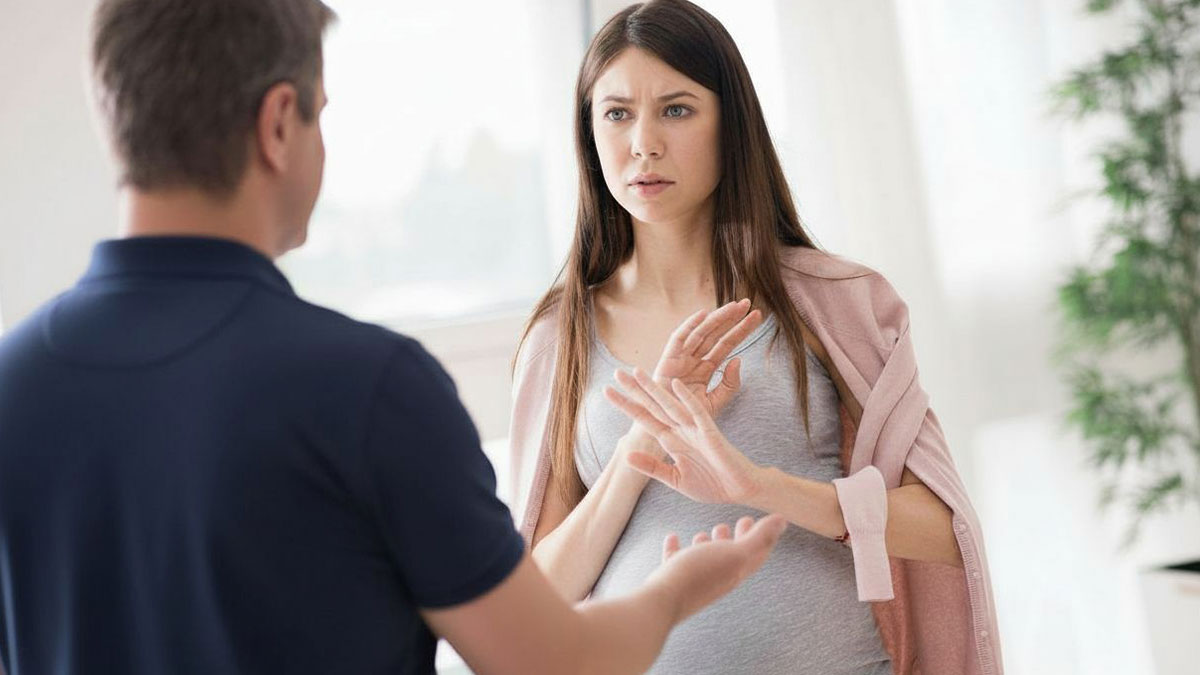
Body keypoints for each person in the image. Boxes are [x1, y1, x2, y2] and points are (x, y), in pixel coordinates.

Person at [0, 1, 789, 673]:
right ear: (280, 123)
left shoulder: (12, 384)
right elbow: (550, 660)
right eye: (320, 114)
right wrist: (681, 586)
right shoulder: (367, 387)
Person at [509, 1, 1004, 673]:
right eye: (617, 113)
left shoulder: (836, 302)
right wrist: (641, 444)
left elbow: (946, 529)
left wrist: (758, 484)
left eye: (676, 109)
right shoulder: (557, 337)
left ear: (730, 124)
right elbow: (535, 600)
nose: (643, 143)